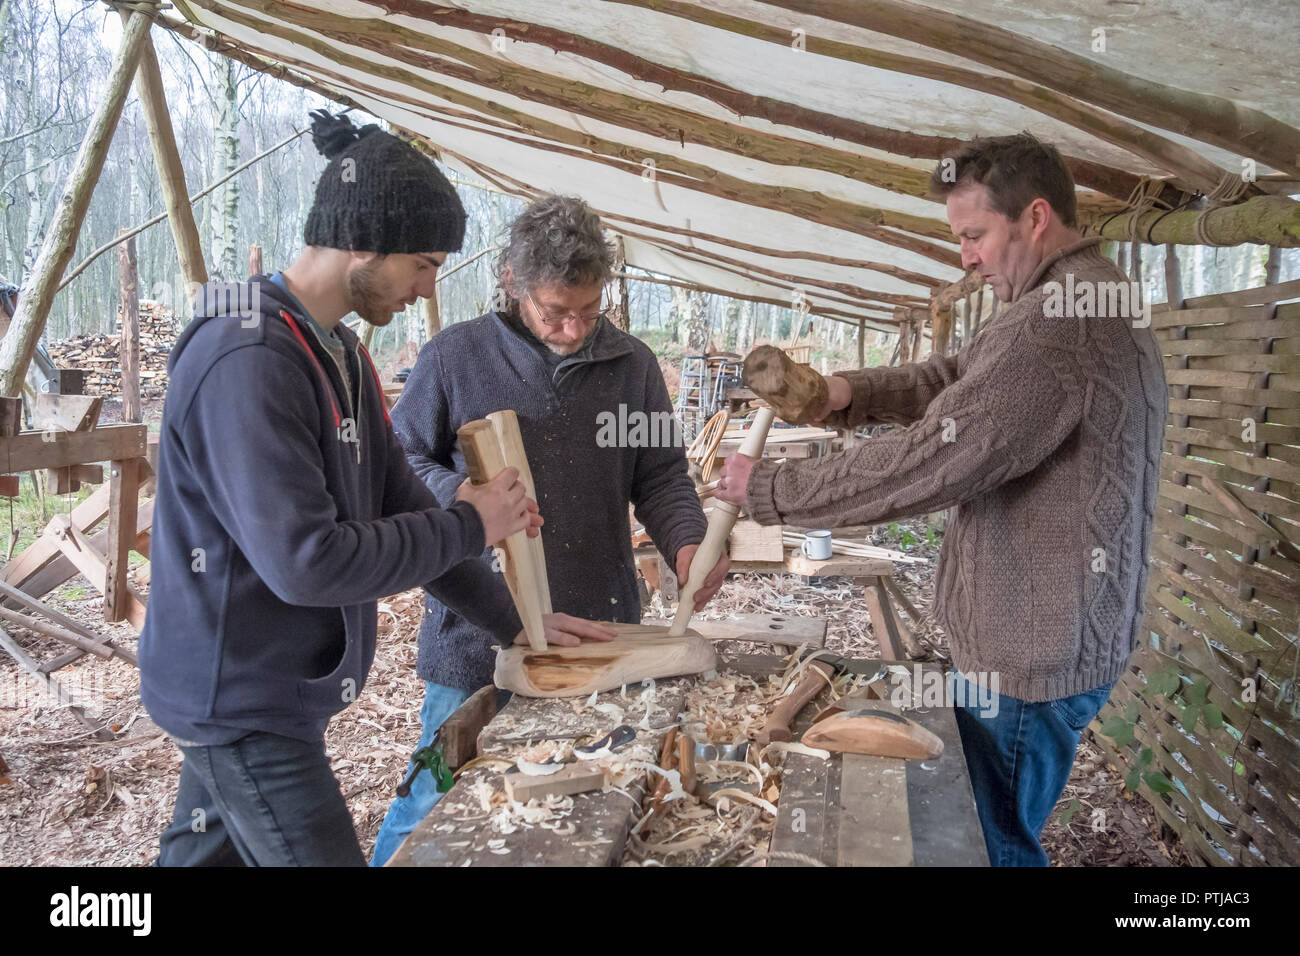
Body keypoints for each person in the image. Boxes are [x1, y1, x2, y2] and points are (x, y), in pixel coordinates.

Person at [141, 112, 603, 866]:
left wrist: (520, 622)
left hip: (260, 692)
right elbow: (307, 562)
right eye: (421, 262)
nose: (428, 288)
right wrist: (472, 520)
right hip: (241, 701)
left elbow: (408, 513)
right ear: (363, 242)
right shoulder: (247, 357)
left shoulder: (341, 355)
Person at [716, 133, 1167, 866]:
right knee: (989, 826)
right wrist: (844, 395)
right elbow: (957, 380)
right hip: (1052, 640)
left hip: (1028, 655)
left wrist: (773, 488)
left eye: (975, 236)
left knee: (990, 847)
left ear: (1037, 218)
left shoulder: (1059, 323)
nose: (966, 257)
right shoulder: (1077, 295)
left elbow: (933, 458)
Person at [370, 194, 726, 865]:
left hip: (600, 632)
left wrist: (686, 541)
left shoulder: (632, 366)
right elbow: (401, 463)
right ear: (512, 282)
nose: (572, 328)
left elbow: (660, 476)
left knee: (587, 801)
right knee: (436, 795)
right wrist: (461, 495)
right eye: (555, 311)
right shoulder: (454, 357)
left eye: (588, 311)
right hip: (473, 635)